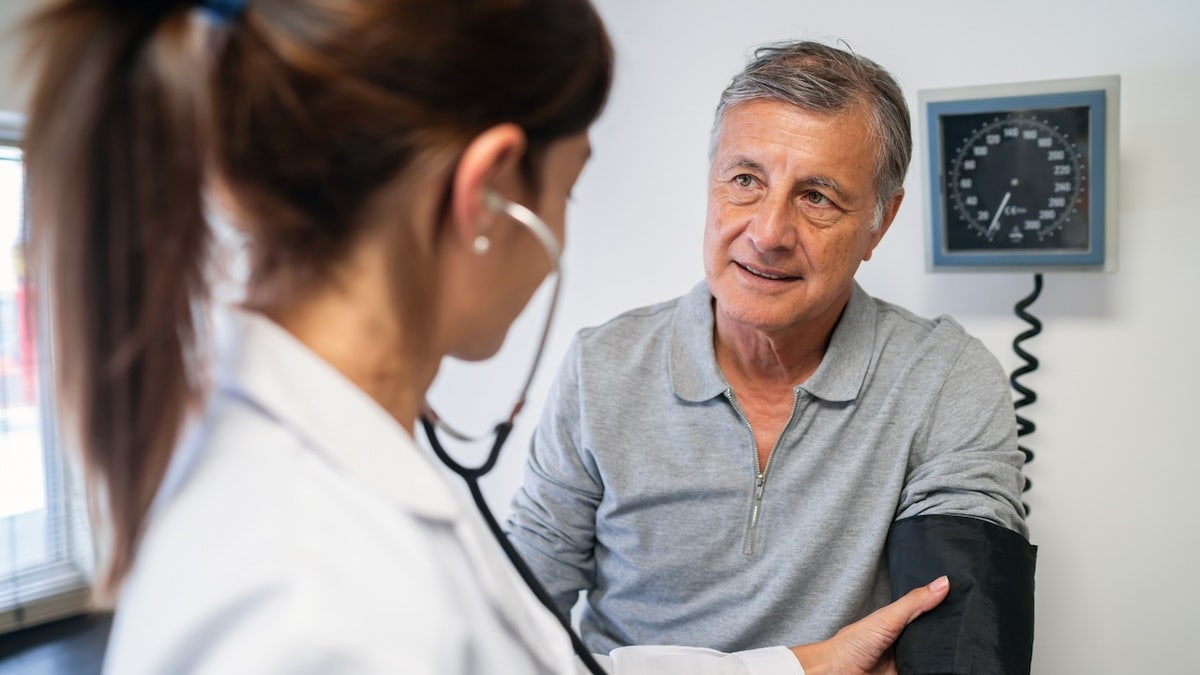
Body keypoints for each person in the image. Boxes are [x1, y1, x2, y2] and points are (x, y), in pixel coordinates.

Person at [23, 2, 949, 674]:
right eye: (568, 187)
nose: (767, 228)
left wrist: (791, 668)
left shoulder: (336, 495)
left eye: (818, 196)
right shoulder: (310, 592)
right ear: (491, 190)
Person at [505, 40, 1037, 672]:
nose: (768, 234)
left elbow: (964, 646)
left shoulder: (944, 378)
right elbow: (511, 622)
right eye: (745, 180)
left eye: (817, 196)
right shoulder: (601, 369)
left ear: (880, 221)